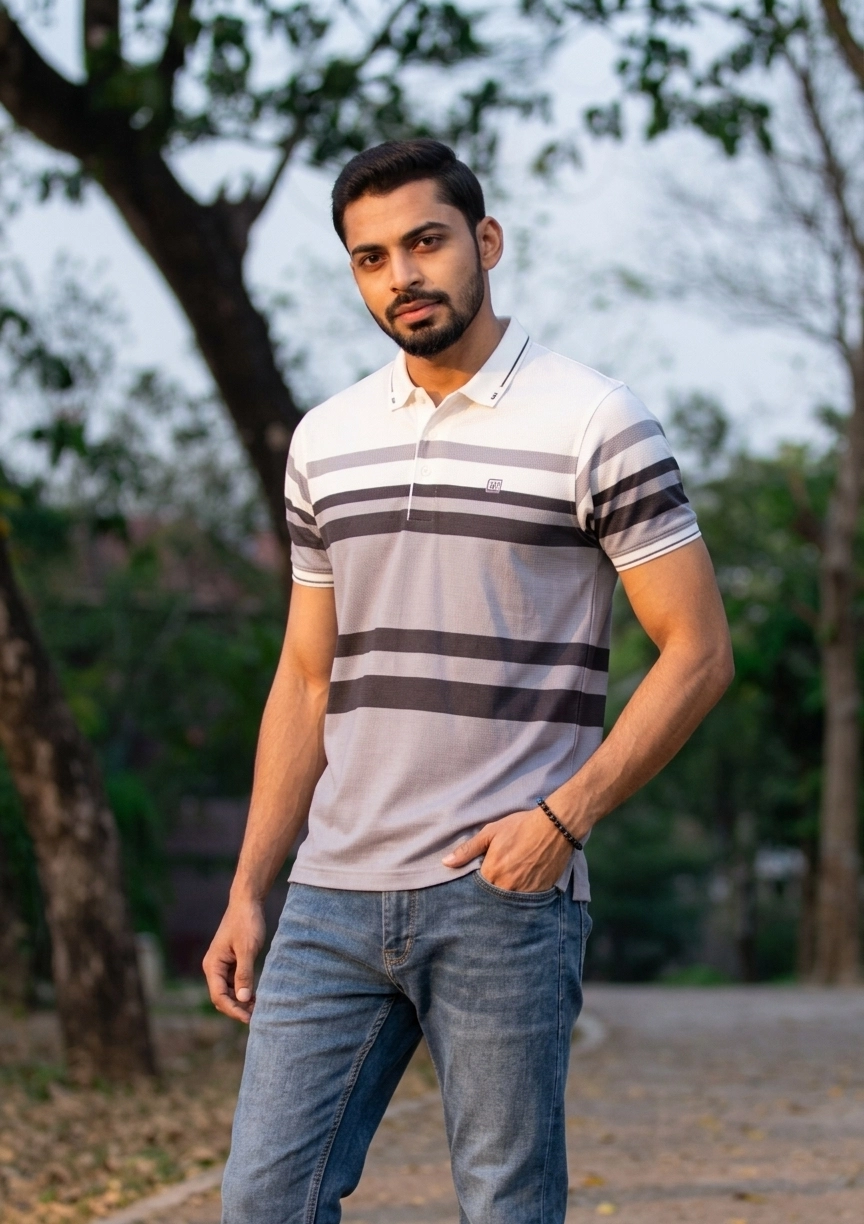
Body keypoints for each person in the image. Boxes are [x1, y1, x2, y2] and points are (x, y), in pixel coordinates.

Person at [204, 138, 733, 1224]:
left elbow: (699, 652)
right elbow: (306, 679)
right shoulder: (325, 440)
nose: (401, 276)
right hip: (331, 895)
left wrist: (562, 821)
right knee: (263, 1201)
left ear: (486, 241)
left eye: (426, 242)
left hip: (502, 893)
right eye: (370, 258)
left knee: (505, 1207)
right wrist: (252, 886)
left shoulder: (596, 420)